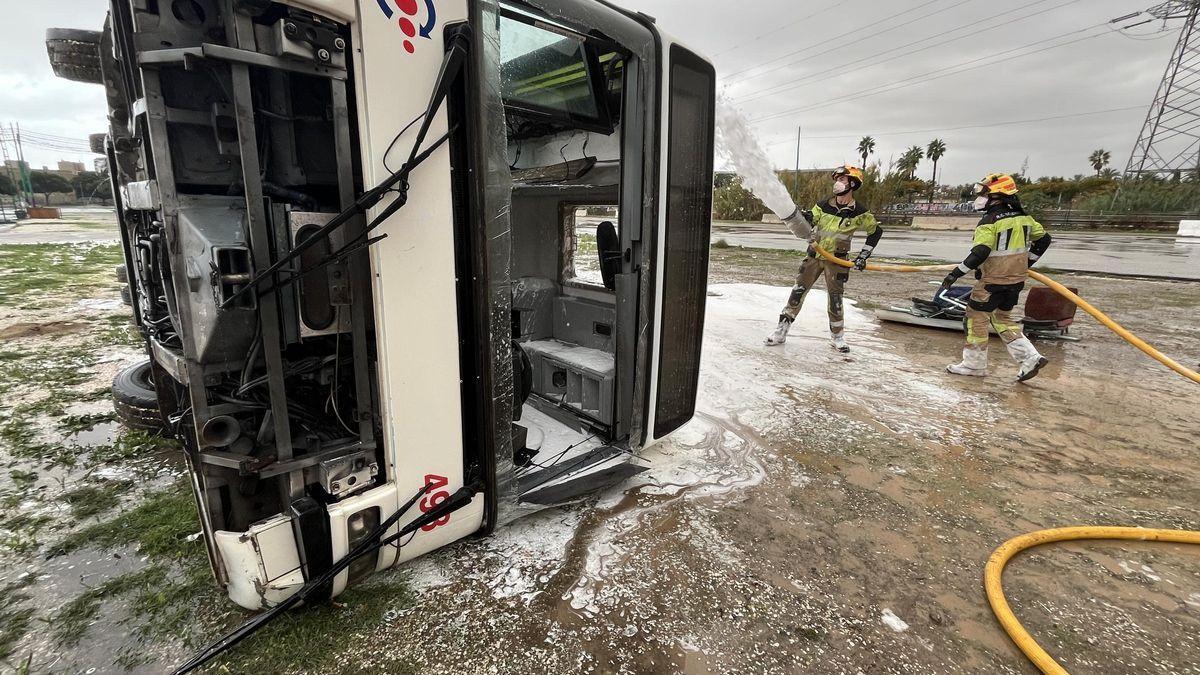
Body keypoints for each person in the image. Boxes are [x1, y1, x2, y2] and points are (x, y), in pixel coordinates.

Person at [940, 173, 1053, 381]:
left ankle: (974, 365)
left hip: (992, 281)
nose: (980, 198)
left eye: (984, 193)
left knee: (975, 318)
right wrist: (1027, 262)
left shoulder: (989, 222)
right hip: (1016, 281)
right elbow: (1044, 239)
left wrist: (955, 274)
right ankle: (1030, 357)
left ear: (997, 196)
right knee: (1002, 318)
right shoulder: (1024, 219)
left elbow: (980, 252)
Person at [765, 165, 882, 352]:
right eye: (837, 179)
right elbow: (812, 218)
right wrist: (805, 217)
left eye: (842, 180)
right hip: (814, 256)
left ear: (853, 183)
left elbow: (875, 232)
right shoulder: (823, 204)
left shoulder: (860, 212)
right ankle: (781, 331)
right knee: (797, 292)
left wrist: (863, 256)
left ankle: (837, 337)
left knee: (835, 298)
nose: (838, 183)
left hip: (837, 261)